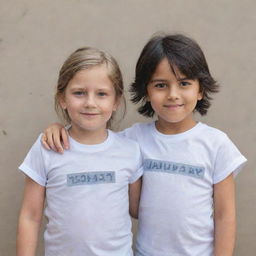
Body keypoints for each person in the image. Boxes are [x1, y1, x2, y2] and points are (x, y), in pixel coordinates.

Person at [41, 34, 247, 256]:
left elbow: (225, 216)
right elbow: (93, 143)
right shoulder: (131, 140)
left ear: (200, 90)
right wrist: (59, 129)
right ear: (146, 91)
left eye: (184, 83)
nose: (173, 95)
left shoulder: (216, 144)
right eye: (160, 85)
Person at [17, 47, 143, 256]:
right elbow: (30, 216)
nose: (90, 103)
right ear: (62, 98)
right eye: (79, 93)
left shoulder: (130, 150)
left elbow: (138, 209)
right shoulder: (47, 147)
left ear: (116, 101)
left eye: (102, 94)